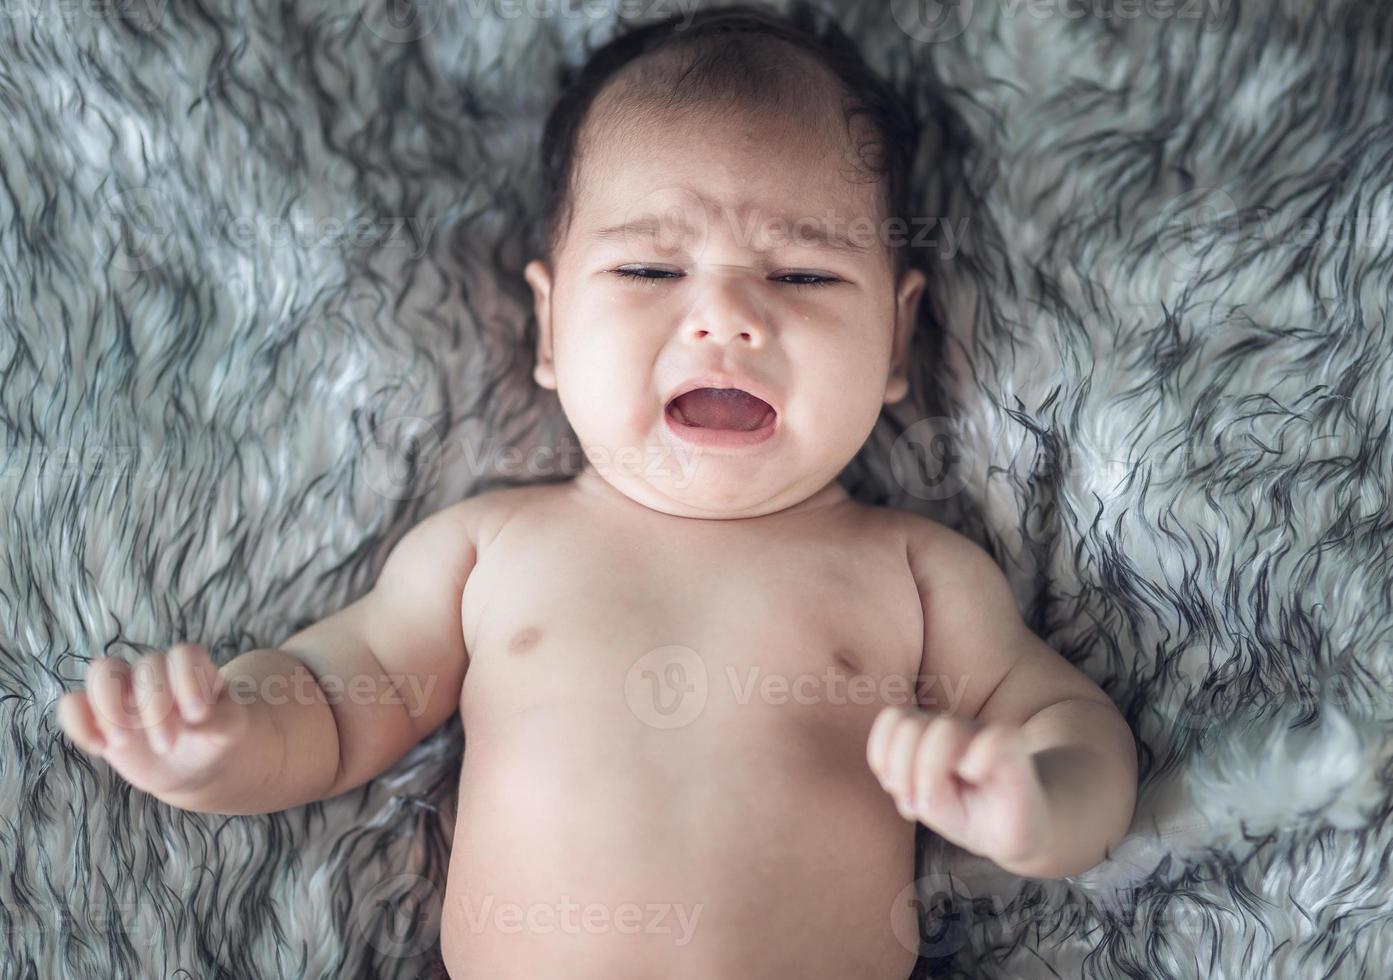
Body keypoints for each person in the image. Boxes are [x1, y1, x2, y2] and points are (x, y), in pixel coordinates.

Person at [56, 5, 1138, 977]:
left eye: (803, 274)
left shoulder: (913, 569)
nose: (724, 318)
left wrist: (1033, 800)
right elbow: (338, 704)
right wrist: (222, 742)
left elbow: (1071, 727)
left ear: (897, 337)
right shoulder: (489, 549)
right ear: (547, 327)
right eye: (648, 270)